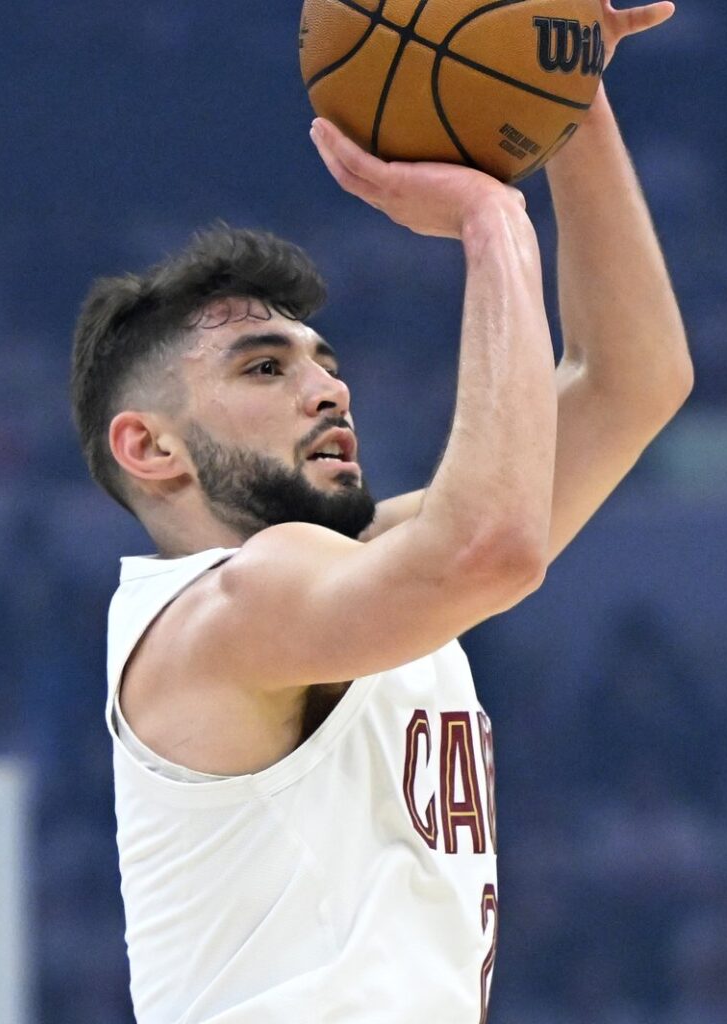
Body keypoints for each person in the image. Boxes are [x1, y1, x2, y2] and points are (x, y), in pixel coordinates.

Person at [65, 4, 691, 1019]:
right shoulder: (222, 614)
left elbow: (634, 381)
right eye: (265, 367)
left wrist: (565, 86)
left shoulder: (353, 579)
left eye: (326, 361)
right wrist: (492, 223)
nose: (327, 390)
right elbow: (493, 546)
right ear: (150, 445)